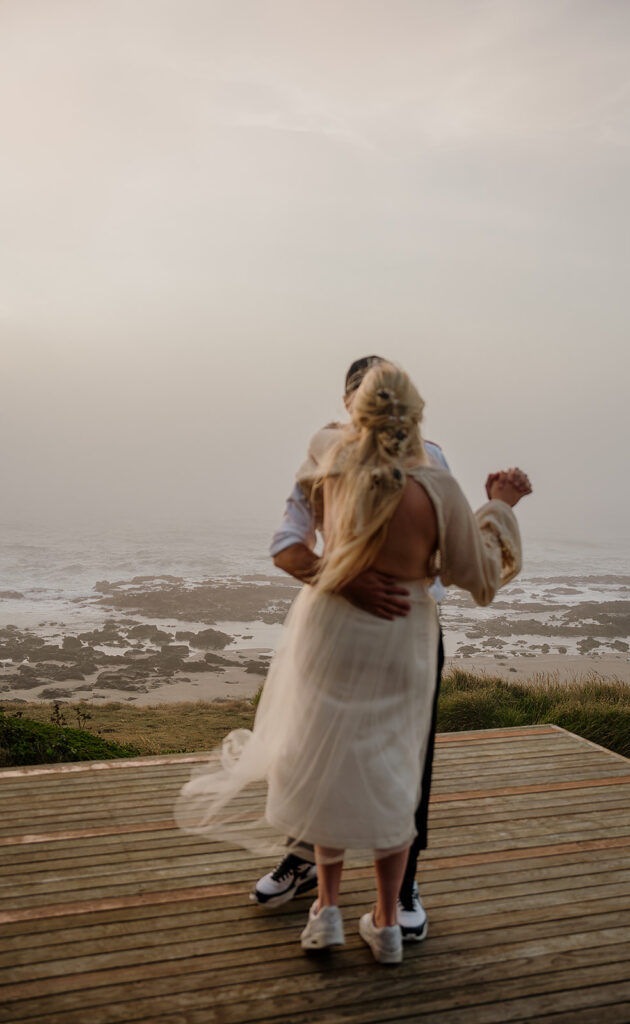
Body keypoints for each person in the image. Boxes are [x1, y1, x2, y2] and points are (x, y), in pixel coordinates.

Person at [176, 361, 529, 965]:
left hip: (329, 630)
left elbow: (289, 546)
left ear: (354, 411)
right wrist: (499, 504)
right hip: (400, 636)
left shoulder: (328, 460)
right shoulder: (437, 484)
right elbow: (479, 575)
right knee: (397, 770)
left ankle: (325, 914)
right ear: (417, 414)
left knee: (326, 758)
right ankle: (389, 923)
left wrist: (343, 580)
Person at [252, 355, 452, 944]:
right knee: (312, 739)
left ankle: (403, 886)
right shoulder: (327, 456)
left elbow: (447, 562)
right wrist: (344, 576)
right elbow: (288, 545)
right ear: (348, 403)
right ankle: (307, 860)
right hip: (337, 628)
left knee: (407, 760)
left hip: (407, 635)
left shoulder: (431, 459)